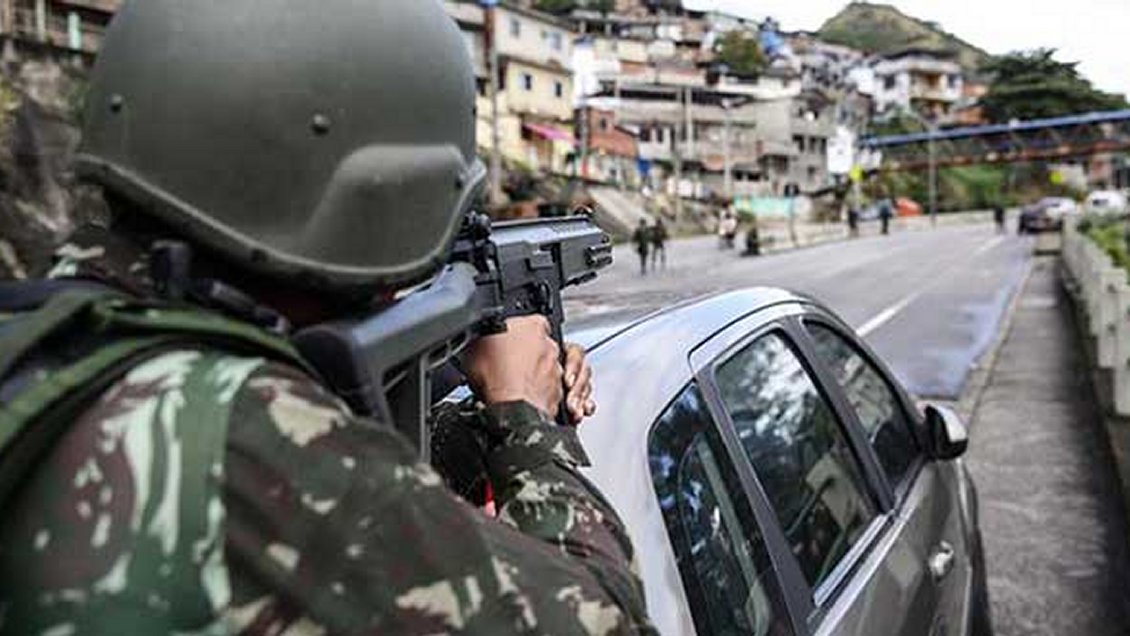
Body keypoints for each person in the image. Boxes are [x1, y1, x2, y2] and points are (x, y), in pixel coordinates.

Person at [0, 2, 654, 634]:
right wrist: (523, 417)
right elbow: (604, 621)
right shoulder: (246, 431)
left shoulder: (55, 338)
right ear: (374, 204)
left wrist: (472, 427)